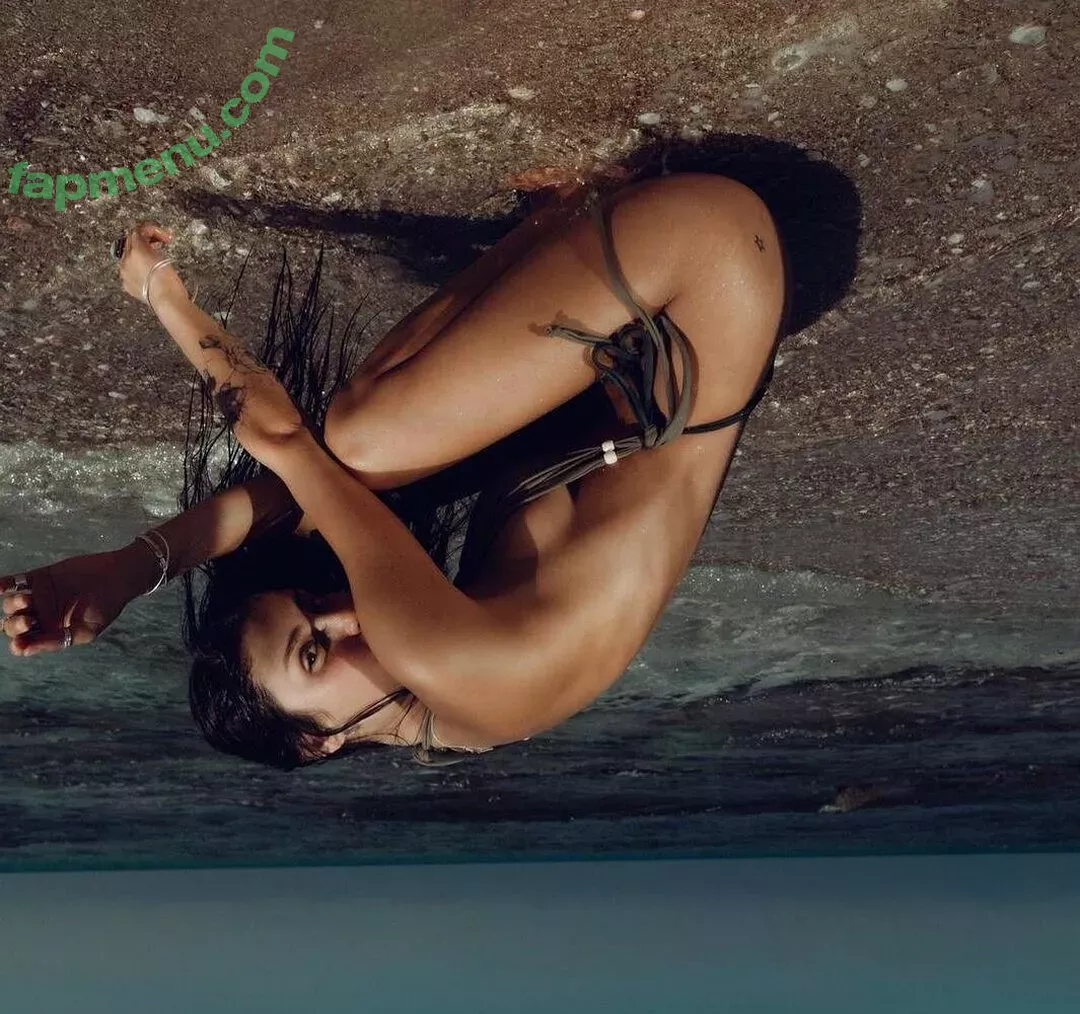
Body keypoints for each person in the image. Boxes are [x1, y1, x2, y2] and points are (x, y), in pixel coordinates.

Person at [1, 171, 791, 769]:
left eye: (314, 608)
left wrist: (123, 572)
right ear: (320, 742)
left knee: (350, 468)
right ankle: (567, 214)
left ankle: (560, 223)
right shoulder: (439, 661)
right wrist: (162, 294)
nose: (346, 618)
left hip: (691, 302)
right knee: (361, 440)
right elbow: (284, 443)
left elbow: (294, 499)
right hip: (704, 252)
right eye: (314, 654)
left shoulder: (467, 724)